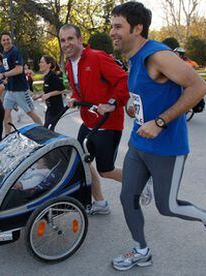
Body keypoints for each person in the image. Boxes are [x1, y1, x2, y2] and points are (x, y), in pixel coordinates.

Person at [109, 2, 206, 271]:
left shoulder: (157, 56)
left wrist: (161, 121)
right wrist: (134, 107)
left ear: (137, 28)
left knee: (167, 206)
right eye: (111, 26)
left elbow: (200, 85)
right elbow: (149, 92)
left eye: (118, 26)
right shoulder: (134, 58)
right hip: (139, 145)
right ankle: (141, 250)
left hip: (166, 148)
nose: (112, 32)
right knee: (128, 197)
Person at [59, 23, 130, 215]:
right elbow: (78, 88)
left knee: (106, 170)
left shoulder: (97, 57)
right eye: (63, 40)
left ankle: (140, 180)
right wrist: (75, 98)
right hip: (89, 122)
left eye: (70, 39)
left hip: (108, 124)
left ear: (80, 40)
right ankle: (100, 204)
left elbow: (123, 79)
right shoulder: (69, 64)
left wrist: (112, 103)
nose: (67, 44)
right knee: (82, 161)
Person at [0, 31, 42, 135]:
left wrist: (4, 75)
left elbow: (19, 69)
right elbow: (9, 70)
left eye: (7, 39)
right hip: (10, 89)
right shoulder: (4, 54)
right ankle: (7, 136)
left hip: (20, 89)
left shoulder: (15, 52)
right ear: (1, 42)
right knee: (6, 114)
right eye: (4, 40)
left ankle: (45, 131)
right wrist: (5, 79)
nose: (6, 41)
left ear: (11, 40)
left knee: (30, 112)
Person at [33, 55, 66, 128]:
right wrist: (38, 96)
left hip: (56, 109)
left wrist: (49, 94)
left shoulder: (53, 76)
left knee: (48, 129)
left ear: (49, 64)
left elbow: (62, 90)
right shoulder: (46, 76)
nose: (39, 64)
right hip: (50, 108)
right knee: (48, 129)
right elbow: (48, 90)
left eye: (42, 62)